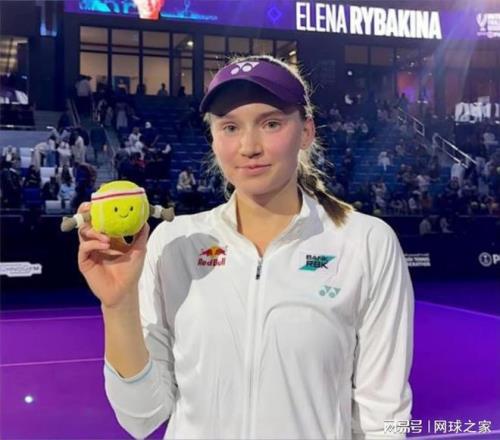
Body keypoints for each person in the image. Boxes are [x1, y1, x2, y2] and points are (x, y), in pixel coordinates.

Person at [76, 55, 414, 439]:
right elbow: (141, 416)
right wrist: (118, 306)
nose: (249, 146)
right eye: (230, 127)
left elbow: (384, 413)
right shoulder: (175, 243)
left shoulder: (366, 242)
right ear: (214, 138)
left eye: (271, 123)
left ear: (306, 132)